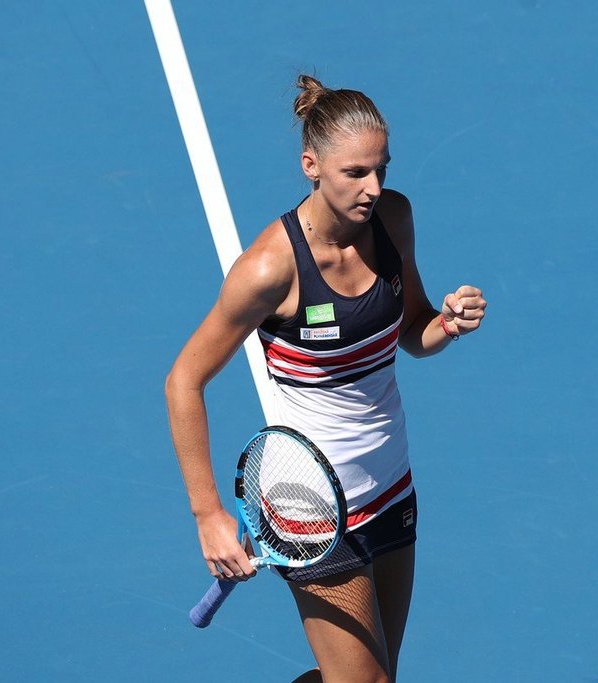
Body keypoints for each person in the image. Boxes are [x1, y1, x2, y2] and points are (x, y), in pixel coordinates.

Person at [165, 74, 487, 683]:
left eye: (381, 170)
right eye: (354, 173)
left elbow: (413, 331)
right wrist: (207, 513)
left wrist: (447, 325)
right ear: (311, 165)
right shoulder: (269, 268)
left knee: (374, 676)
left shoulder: (394, 220)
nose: (373, 188)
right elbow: (183, 381)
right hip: (309, 504)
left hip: (391, 483)